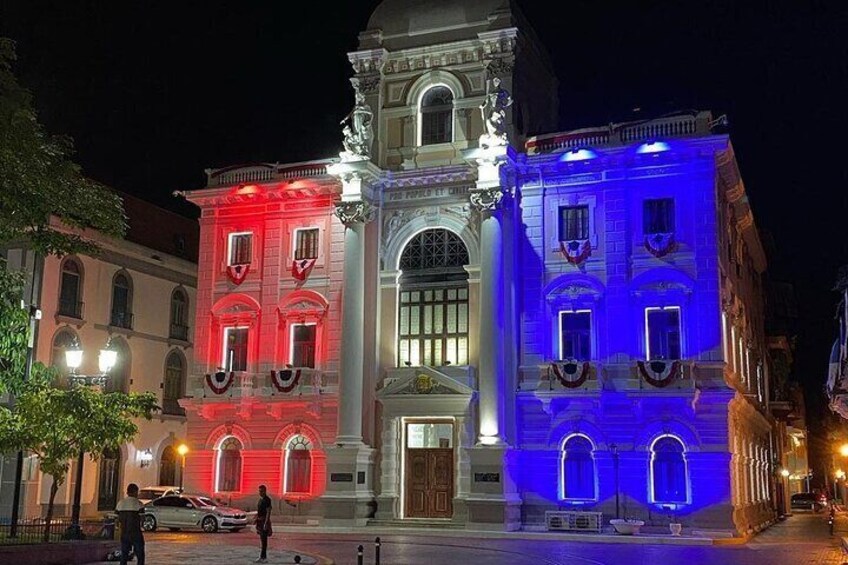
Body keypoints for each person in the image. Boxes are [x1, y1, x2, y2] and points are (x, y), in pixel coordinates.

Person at [115, 483, 145, 565]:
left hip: (124, 532)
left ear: (127, 492)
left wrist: (118, 527)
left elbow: (116, 518)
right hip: (136, 532)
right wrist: (142, 526)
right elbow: (142, 518)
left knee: (124, 554)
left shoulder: (120, 503)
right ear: (135, 492)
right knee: (140, 554)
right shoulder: (139, 504)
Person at [255, 484, 273, 563]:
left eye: (261, 491)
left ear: (265, 491)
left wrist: (266, 523)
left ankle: (264, 557)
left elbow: (268, 511)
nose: (260, 492)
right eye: (259, 491)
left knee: (264, 540)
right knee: (262, 539)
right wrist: (256, 518)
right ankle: (262, 556)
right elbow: (259, 511)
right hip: (259, 521)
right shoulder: (260, 500)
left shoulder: (267, 500)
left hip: (263, 521)